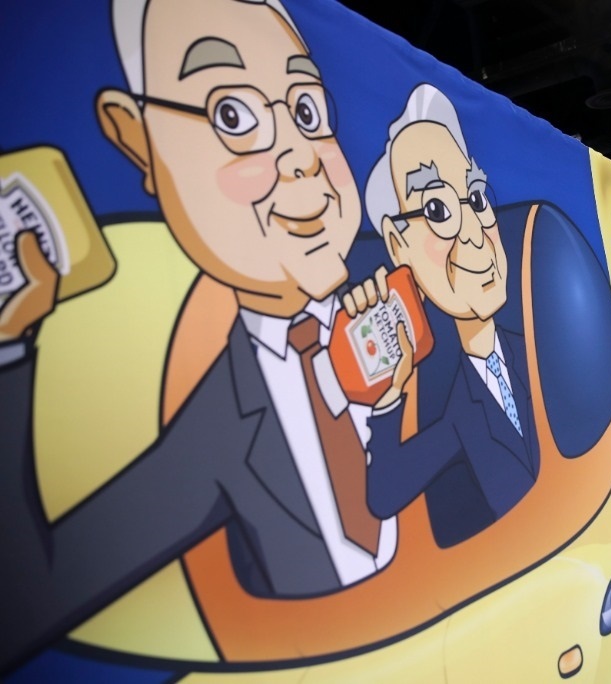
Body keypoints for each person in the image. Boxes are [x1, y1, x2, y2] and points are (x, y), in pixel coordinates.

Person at [0, 0, 398, 670]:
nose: (301, 157)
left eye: (306, 112)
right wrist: (12, 345)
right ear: (138, 142)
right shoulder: (219, 427)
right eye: (233, 116)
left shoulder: (394, 297)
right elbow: (35, 594)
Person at [363, 84, 541, 548]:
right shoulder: (455, 410)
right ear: (398, 245)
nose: (476, 234)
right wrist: (388, 395)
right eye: (437, 209)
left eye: (477, 199)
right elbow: (384, 493)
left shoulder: (538, 355)